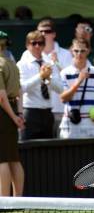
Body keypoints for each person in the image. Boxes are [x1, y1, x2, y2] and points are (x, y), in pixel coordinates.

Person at [17, 31, 62, 140]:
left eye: (40, 43)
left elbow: (61, 89)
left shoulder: (49, 62)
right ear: (27, 45)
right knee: (29, 150)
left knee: (48, 151)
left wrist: (48, 78)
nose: (37, 46)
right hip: (31, 112)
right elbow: (22, 88)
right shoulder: (22, 64)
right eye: (34, 43)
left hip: (48, 112)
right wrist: (40, 76)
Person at [59, 39, 94, 139]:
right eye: (76, 51)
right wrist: (79, 81)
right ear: (71, 51)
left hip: (92, 125)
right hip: (70, 125)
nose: (79, 54)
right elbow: (63, 98)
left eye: (82, 51)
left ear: (88, 51)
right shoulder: (65, 73)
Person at [34, 18, 72, 136]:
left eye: (48, 31)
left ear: (54, 34)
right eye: (41, 32)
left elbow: (71, 79)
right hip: (39, 110)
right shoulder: (30, 54)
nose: (44, 34)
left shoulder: (66, 54)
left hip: (60, 108)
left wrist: (57, 63)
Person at [0, 30, 25, 197]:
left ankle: (3, 201)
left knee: (2, 159)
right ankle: (18, 200)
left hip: (3, 114)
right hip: (13, 112)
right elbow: (19, 92)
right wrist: (19, 115)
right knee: (14, 158)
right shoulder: (12, 64)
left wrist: (13, 116)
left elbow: (2, 98)